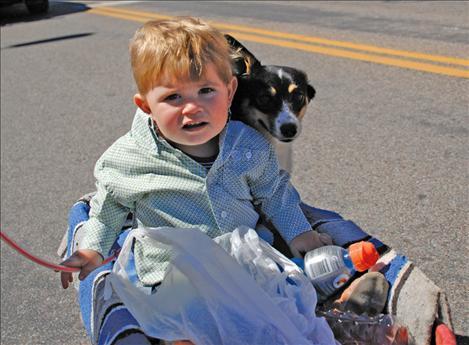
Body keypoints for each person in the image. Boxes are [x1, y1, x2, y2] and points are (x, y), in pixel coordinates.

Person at [61, 16, 332, 333]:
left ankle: (346, 307)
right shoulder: (129, 158)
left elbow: (275, 194)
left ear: (230, 91)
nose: (192, 108)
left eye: (206, 90)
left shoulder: (248, 147)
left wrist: (300, 233)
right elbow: (108, 211)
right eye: (173, 97)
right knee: (185, 324)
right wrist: (92, 249)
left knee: (285, 313)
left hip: (244, 266)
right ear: (146, 105)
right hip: (171, 276)